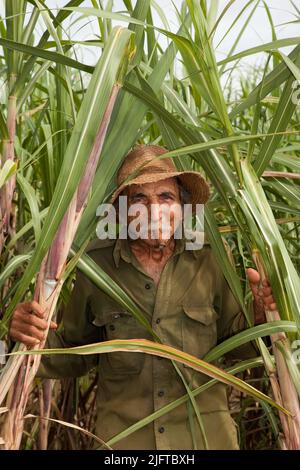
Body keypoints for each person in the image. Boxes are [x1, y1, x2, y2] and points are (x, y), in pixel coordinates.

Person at [9, 144, 276, 450]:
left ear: (182, 207)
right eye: (140, 199)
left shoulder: (211, 259)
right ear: (122, 210)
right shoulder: (97, 266)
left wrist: (260, 315)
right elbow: (72, 352)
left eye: (166, 197)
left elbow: (237, 344)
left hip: (206, 438)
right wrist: (28, 336)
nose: (153, 210)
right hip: (125, 443)